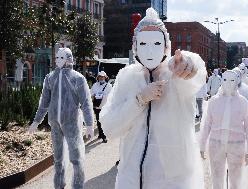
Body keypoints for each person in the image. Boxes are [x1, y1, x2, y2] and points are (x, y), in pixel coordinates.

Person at [99, 8, 206, 189]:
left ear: (166, 45)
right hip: (131, 177)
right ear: (135, 46)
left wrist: (189, 65)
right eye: (143, 43)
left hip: (173, 180)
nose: (149, 50)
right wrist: (139, 100)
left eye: (156, 43)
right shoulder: (126, 76)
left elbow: (196, 74)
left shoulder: (175, 74)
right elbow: (109, 126)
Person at [28, 48, 94, 189]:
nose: (58, 60)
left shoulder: (77, 78)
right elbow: (44, 102)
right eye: (57, 57)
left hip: (72, 122)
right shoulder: (50, 77)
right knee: (58, 158)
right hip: (55, 123)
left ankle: (77, 185)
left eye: (61, 57)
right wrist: (36, 121)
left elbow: (86, 102)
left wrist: (89, 124)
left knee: (76, 158)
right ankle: (59, 184)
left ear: (69, 59)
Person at [200, 70, 248, 189]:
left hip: (236, 145)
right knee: (217, 178)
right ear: (221, 81)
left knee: (236, 180)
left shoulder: (242, 102)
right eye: (225, 80)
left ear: (237, 82)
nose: (229, 84)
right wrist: (202, 145)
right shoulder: (214, 101)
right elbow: (206, 124)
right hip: (216, 144)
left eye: (232, 81)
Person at [90, 71, 112, 143]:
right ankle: (101, 134)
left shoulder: (108, 86)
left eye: (102, 77)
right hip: (97, 106)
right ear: (98, 77)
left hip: (105, 106)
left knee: (104, 121)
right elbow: (91, 94)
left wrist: (103, 96)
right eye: (100, 76)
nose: (101, 78)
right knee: (98, 121)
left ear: (105, 77)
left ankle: (104, 136)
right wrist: (95, 96)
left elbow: (110, 96)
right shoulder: (95, 85)